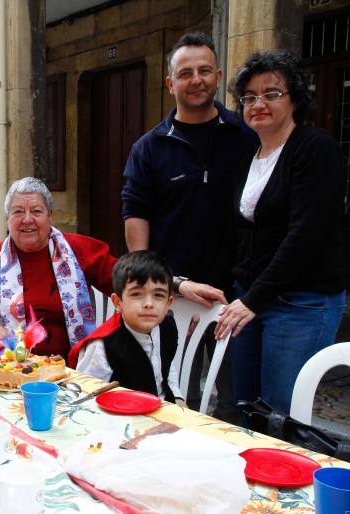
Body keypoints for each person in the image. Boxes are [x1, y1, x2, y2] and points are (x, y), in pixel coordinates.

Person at [121, 32, 257, 420]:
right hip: (174, 295)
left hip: (236, 295)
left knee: (235, 399)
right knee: (173, 394)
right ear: (170, 84)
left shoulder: (246, 137)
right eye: (185, 73)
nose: (196, 79)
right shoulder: (149, 148)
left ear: (217, 75)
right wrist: (171, 286)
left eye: (203, 71)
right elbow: (137, 228)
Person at [215, 50, 346, 413]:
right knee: (245, 405)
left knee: (281, 414)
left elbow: (305, 234)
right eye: (249, 97)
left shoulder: (316, 148)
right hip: (250, 296)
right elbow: (239, 236)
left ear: (295, 101)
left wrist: (254, 299)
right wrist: (232, 291)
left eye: (272, 94)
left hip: (301, 303)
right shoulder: (249, 158)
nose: (259, 103)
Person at [0, 177, 116, 359]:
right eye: (18, 212)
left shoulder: (79, 250)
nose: (27, 219)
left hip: (72, 371)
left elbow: (133, 289)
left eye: (37, 211)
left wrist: (106, 339)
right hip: (8, 368)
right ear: (7, 219)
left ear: (50, 216)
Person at [71, 251, 185, 405]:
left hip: (163, 410)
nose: (149, 304)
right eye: (137, 294)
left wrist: (177, 397)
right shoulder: (102, 346)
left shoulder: (167, 327)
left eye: (158, 295)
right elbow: (85, 396)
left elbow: (167, 364)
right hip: (118, 419)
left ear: (168, 303)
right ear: (118, 302)